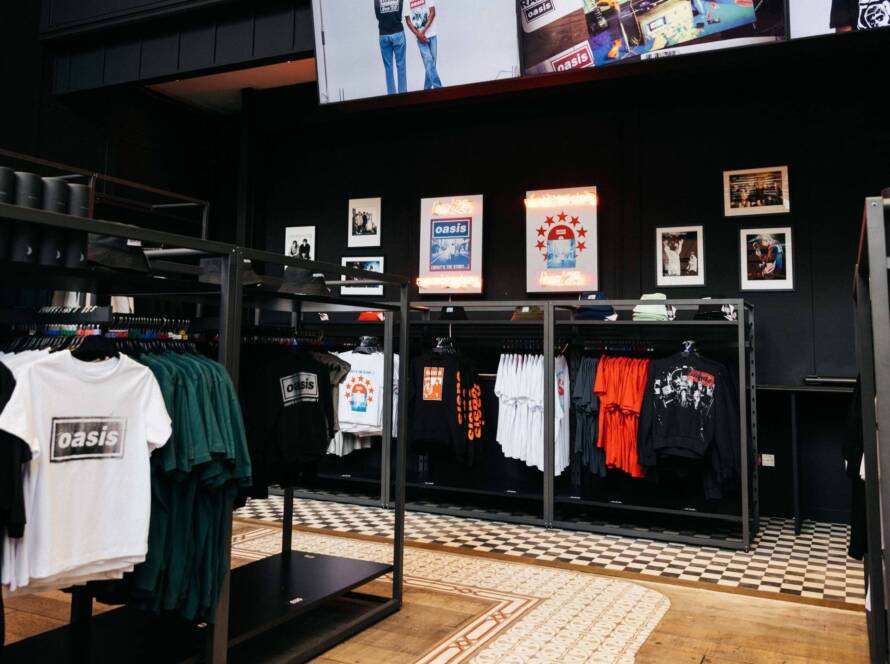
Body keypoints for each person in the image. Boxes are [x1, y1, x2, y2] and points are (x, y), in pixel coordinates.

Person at [404, 0, 442, 90]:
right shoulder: (406, 1)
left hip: (432, 34)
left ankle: (426, 89)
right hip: (419, 37)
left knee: (431, 64)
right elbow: (408, 20)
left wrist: (423, 31)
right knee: (429, 61)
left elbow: (433, 12)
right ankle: (439, 88)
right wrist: (418, 34)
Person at [375, 0, 407, 95]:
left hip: (384, 33)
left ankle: (391, 97)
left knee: (388, 67)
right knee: (401, 66)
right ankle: (403, 96)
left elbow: (377, 13)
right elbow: (401, 9)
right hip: (398, 32)